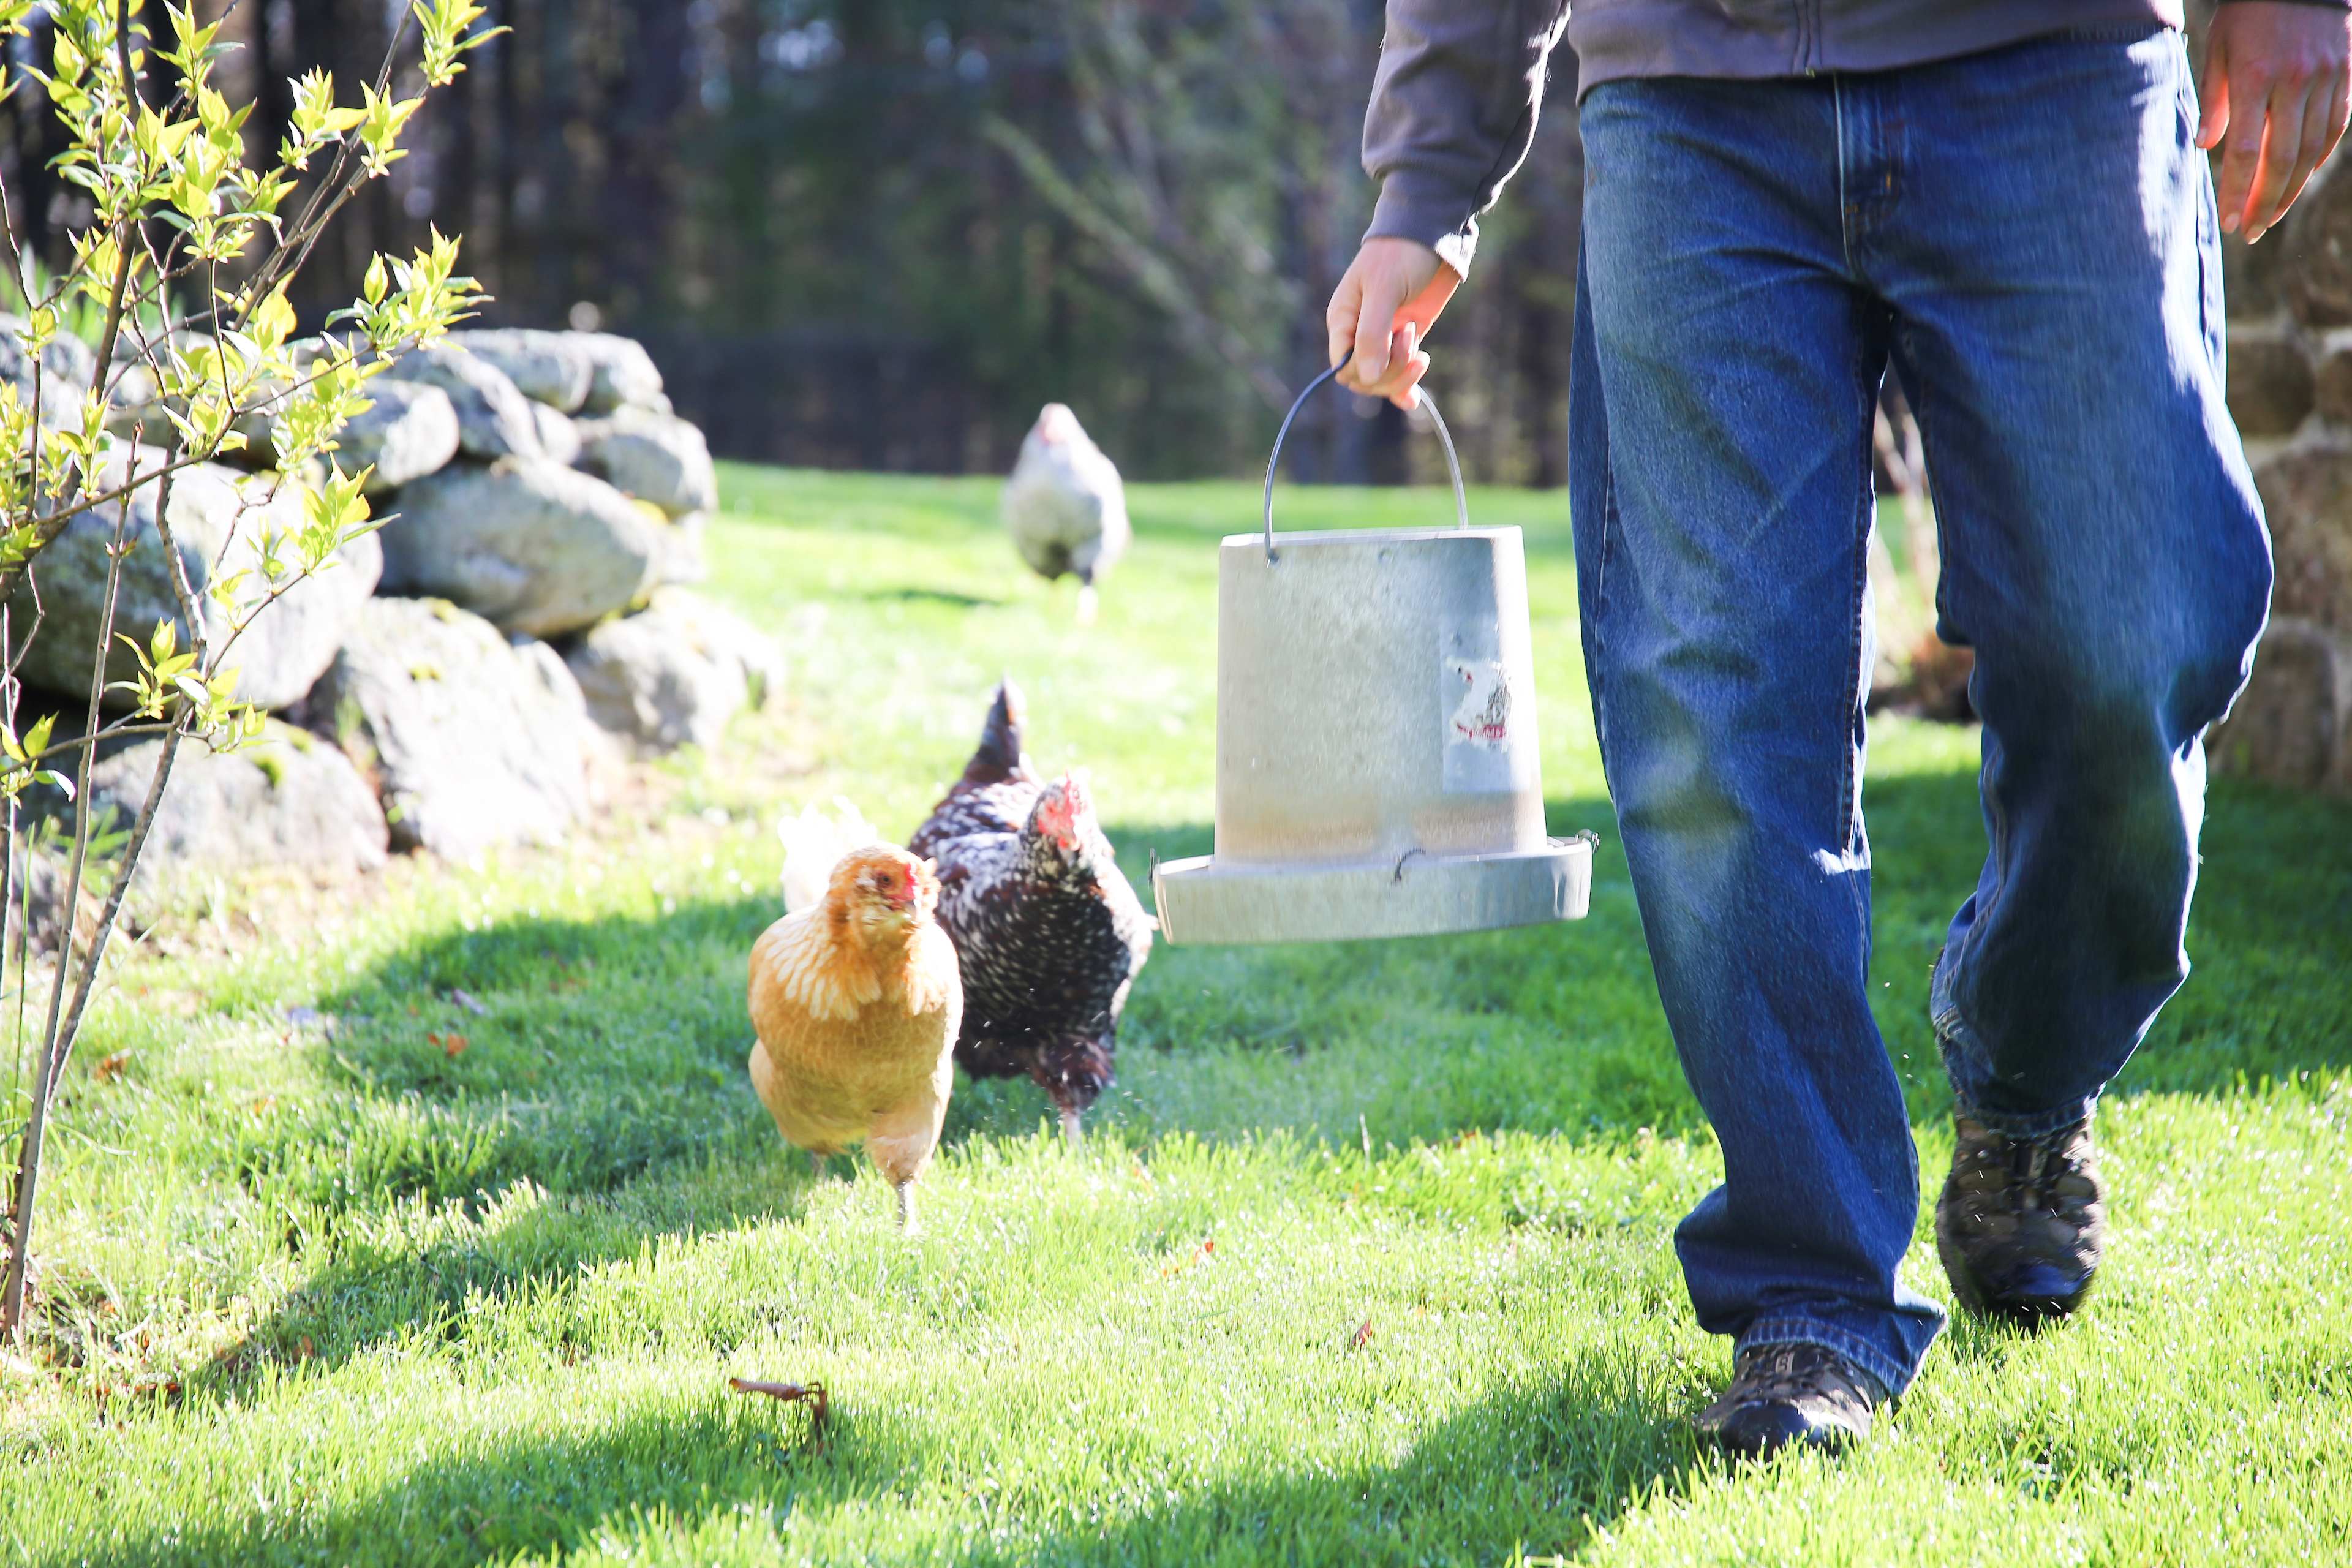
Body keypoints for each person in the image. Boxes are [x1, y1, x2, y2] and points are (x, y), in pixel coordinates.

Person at [1326, 1, 2351, 1456]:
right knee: (1718, 717)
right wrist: (1428, 176)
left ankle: (2024, 1078)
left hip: (2050, 65)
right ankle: (1811, 1291)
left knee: (2128, 635)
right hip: (1693, 99)